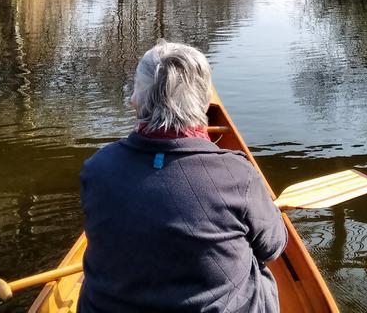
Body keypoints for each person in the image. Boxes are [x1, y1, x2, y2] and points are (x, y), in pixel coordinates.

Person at [78, 40, 287, 313]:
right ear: (204, 101)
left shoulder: (96, 169)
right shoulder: (238, 175)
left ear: (135, 101)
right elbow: (272, 248)